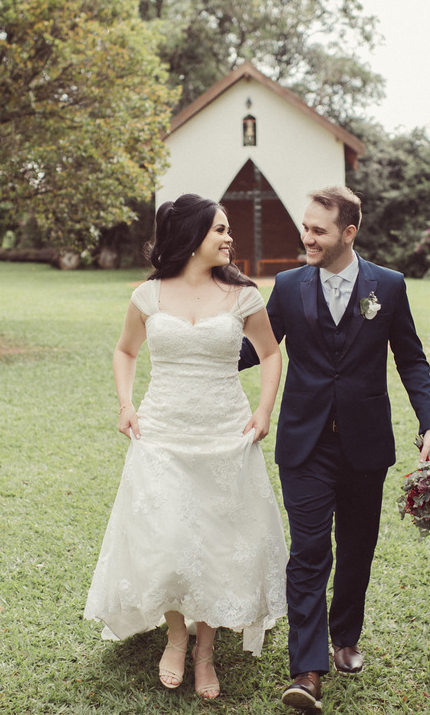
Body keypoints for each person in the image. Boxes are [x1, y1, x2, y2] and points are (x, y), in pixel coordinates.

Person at [238, 186, 430, 711]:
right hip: (303, 444)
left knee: (356, 549)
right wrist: (194, 347)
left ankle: (345, 635)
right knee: (309, 553)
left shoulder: (388, 287)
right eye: (305, 227)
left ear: (348, 234)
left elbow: (411, 360)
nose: (306, 236)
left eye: (318, 230)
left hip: (365, 443)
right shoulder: (285, 286)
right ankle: (307, 670)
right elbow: (255, 350)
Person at [84, 193, 288, 700]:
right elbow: (125, 350)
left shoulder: (243, 295)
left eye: (228, 230)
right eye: (219, 230)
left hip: (225, 432)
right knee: (168, 533)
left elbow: (269, 353)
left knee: (217, 538)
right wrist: (125, 404)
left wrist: (263, 410)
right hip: (162, 431)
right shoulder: (148, 297)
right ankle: (176, 635)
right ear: (192, 237)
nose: (228, 238)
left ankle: (205, 649)